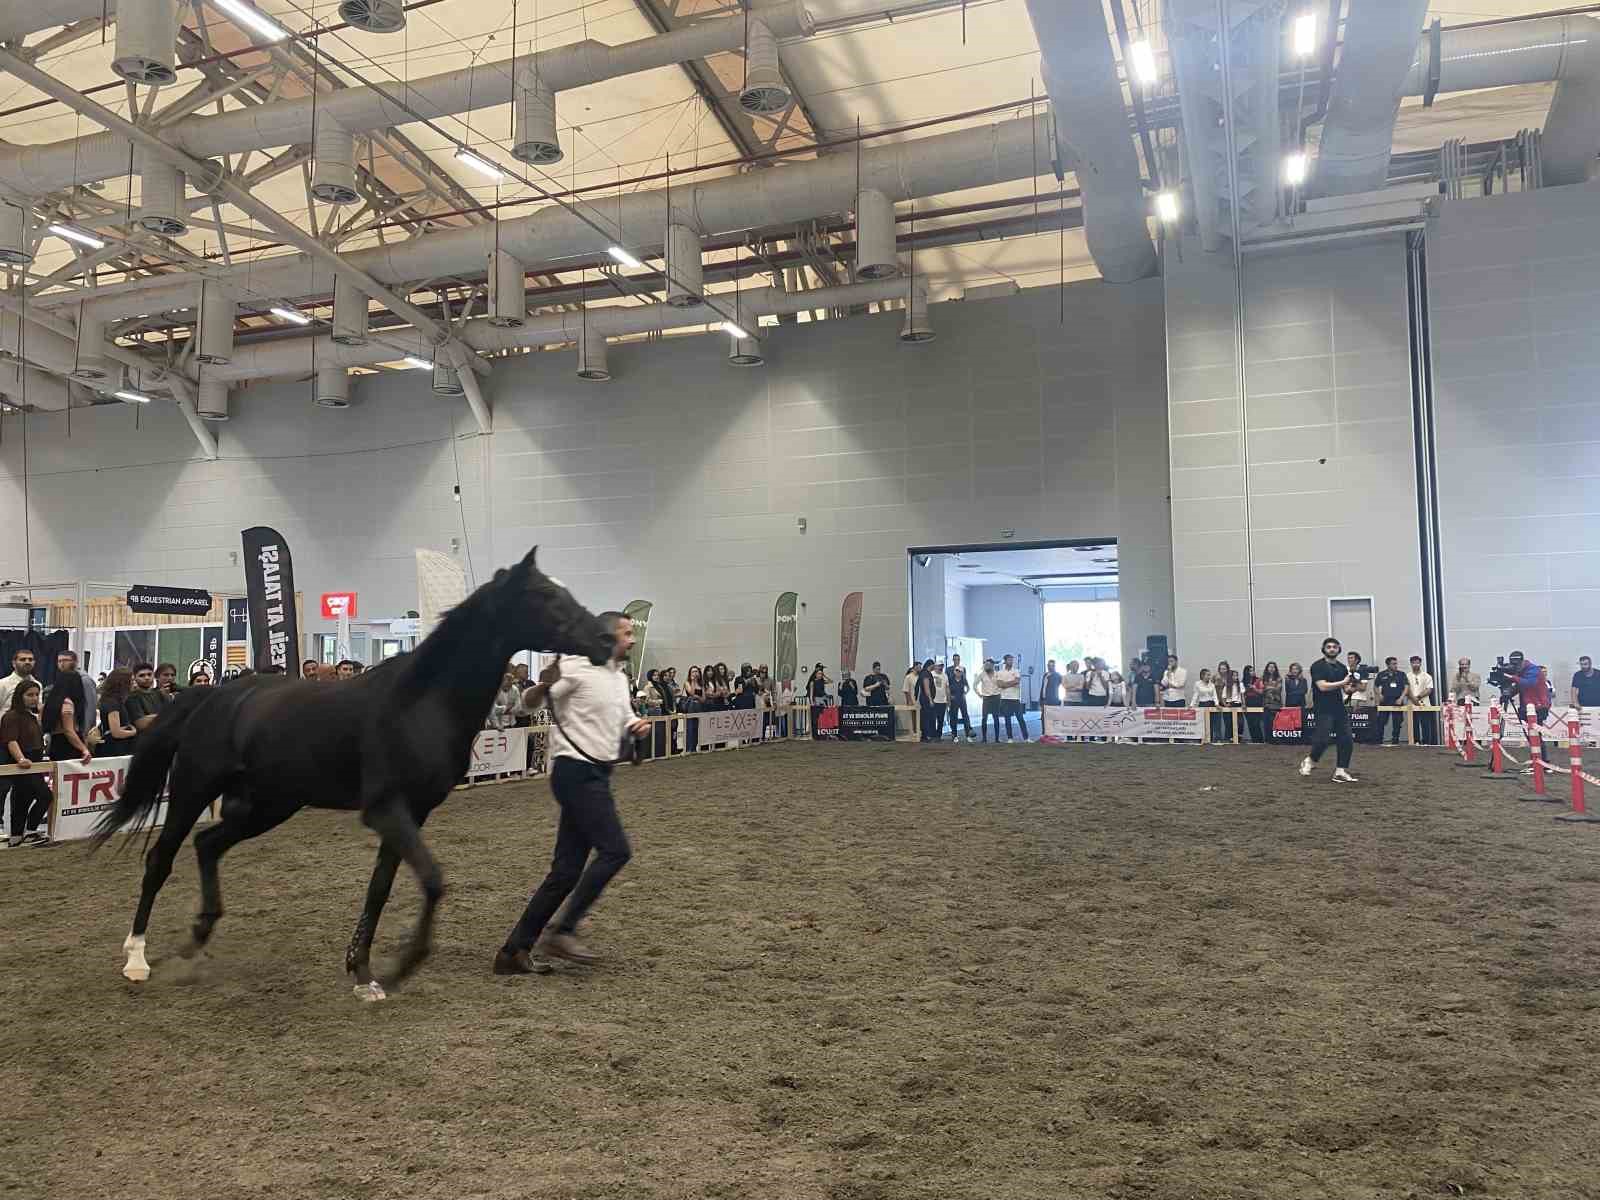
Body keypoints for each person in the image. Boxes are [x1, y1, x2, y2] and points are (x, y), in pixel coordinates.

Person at [495, 611, 649, 976]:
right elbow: (529, 704)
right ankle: (562, 931)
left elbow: (624, 715)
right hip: (575, 771)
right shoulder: (574, 667)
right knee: (615, 850)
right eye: (626, 633)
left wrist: (636, 726)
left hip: (596, 772)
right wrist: (545, 685)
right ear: (607, 636)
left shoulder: (616, 675)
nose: (632, 640)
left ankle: (513, 951)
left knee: (565, 871)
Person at [1299, 636, 1359, 783]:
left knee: (1346, 739)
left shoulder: (1341, 667)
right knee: (1323, 739)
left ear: (1339, 650)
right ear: (1324, 650)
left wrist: (1352, 687)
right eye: (1329, 647)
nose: (1332, 649)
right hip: (1322, 708)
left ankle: (1340, 771)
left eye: (1335, 647)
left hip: (1339, 707)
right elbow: (1322, 686)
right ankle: (1310, 760)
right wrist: (1343, 683)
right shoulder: (1317, 666)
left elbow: (1345, 688)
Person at [1, 681, 52, 846]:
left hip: (35, 762)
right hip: (23, 763)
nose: (34, 698)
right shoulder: (11, 716)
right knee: (44, 795)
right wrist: (21, 759)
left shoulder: (31, 716)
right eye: (30, 695)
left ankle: (18, 835)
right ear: (19, 696)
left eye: (37, 695)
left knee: (23, 798)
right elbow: (11, 741)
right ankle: (28, 832)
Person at [1505, 650, 1551, 767]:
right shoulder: (1521, 671)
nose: (1514, 668)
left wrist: (1513, 677)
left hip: (1539, 706)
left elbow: (1530, 683)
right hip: (1527, 706)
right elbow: (1520, 686)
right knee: (1532, 735)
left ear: (1521, 662)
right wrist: (1508, 694)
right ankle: (1539, 761)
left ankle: (1541, 762)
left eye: (1516, 665)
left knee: (1535, 735)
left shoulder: (1533, 669)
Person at [39, 677, 92, 766]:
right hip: (69, 746)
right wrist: (84, 748)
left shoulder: (48, 703)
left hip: (55, 743)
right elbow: (68, 730)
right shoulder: (67, 703)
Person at [96, 668, 140, 756]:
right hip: (115, 748)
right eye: (131, 681)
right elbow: (116, 732)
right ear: (122, 683)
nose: (134, 684)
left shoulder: (110, 700)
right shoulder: (113, 703)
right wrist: (134, 732)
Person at [1374, 656, 1408, 746]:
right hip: (1385, 701)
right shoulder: (1381, 674)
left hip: (1397, 701)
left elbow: (1406, 687)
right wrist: (1379, 695)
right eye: (1393, 664)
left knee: (1397, 722)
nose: (1396, 665)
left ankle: (1395, 741)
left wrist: (1401, 698)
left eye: (1396, 663)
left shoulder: (1401, 674)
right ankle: (1379, 741)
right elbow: (1375, 686)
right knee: (1381, 722)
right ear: (1388, 665)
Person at [1406, 656, 1436, 745]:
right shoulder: (1407, 676)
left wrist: (1418, 697)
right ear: (1411, 664)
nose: (1416, 664)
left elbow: (1429, 689)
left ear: (1420, 663)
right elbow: (1405, 689)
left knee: (1425, 723)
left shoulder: (1427, 676)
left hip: (1424, 703)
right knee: (1413, 724)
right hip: (1411, 703)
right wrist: (1413, 698)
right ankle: (1416, 741)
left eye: (1417, 663)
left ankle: (1426, 742)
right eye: (1414, 663)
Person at [996, 654, 1027, 742]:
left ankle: (1026, 738)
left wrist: (1005, 684)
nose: (1011, 661)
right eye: (1009, 660)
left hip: (1015, 698)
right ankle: (1010, 738)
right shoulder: (1000, 672)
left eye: (1012, 660)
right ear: (1005, 661)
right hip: (1005, 698)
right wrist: (1011, 683)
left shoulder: (1016, 671)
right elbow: (999, 684)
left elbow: (1017, 681)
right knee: (1007, 719)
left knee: (1020, 718)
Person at [946, 655, 973, 742]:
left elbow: (968, 686)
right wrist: (949, 697)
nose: (958, 672)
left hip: (962, 699)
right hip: (954, 700)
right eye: (957, 671)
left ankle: (968, 734)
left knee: (965, 715)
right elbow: (947, 687)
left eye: (960, 671)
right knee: (954, 716)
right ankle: (954, 735)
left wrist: (965, 693)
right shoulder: (949, 674)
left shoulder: (963, 677)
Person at [0, 647, 35, 712]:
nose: (27, 662)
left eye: (30, 659)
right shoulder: (2, 684)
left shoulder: (38, 684)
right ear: (14, 663)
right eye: (22, 659)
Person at [975, 659, 1002, 743]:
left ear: (992, 666)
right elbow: (974, 685)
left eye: (989, 665)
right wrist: (979, 694)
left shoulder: (997, 674)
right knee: (984, 718)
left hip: (996, 698)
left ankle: (997, 739)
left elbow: (1002, 684)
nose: (987, 666)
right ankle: (984, 738)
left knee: (996, 718)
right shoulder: (982, 674)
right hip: (986, 698)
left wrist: (1000, 693)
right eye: (986, 665)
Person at [1192, 667, 1221, 740]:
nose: (1209, 676)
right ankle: (1205, 739)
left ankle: (1216, 739)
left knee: (1214, 722)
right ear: (1202, 675)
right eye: (1207, 675)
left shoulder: (1212, 684)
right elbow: (1196, 695)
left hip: (1212, 704)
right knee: (1204, 723)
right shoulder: (1197, 684)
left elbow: (1214, 695)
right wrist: (1192, 705)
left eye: (1209, 675)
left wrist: (1217, 704)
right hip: (1202, 704)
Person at [916, 659, 940, 742]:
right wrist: (930, 699)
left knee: (927, 717)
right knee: (927, 717)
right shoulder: (925, 674)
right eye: (934, 665)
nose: (935, 667)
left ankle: (926, 735)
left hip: (925, 698)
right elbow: (926, 688)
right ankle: (926, 736)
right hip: (926, 699)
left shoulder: (925, 673)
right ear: (931, 665)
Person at [1242, 667, 1265, 743]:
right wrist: (1243, 704)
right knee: (1250, 723)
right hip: (1247, 703)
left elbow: (1262, 692)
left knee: (1256, 723)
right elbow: (1242, 694)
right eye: (1251, 671)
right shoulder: (1243, 682)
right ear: (1246, 672)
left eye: (1253, 670)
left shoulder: (1258, 680)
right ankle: (1254, 740)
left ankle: (1260, 740)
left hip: (1257, 702)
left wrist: (1254, 688)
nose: (1253, 672)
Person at [1260, 662, 1284, 738]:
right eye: (1270, 667)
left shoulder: (1279, 678)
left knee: (1276, 722)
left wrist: (1268, 687)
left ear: (1275, 669)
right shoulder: (1263, 677)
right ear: (1267, 668)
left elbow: (1278, 689)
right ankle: (1267, 739)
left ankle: (1276, 739)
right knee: (1267, 723)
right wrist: (1272, 687)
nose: (1271, 668)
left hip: (1276, 703)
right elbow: (1262, 689)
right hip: (1266, 703)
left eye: (1273, 667)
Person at [929, 660, 948, 739]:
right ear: (935, 666)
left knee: (941, 719)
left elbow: (947, 688)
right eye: (939, 666)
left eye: (942, 666)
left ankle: (939, 735)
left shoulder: (945, 675)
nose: (941, 667)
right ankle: (932, 734)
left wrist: (948, 699)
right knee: (933, 718)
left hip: (942, 700)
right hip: (934, 700)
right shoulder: (931, 674)